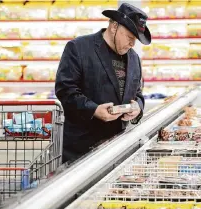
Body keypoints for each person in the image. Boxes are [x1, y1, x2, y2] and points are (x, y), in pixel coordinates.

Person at [55, 3, 151, 164]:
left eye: (135, 40)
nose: (132, 44)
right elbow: (65, 90)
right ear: (114, 26)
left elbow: (138, 93)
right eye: (129, 37)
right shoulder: (79, 48)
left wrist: (137, 108)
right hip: (81, 150)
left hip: (117, 148)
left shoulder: (134, 58)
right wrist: (94, 110)